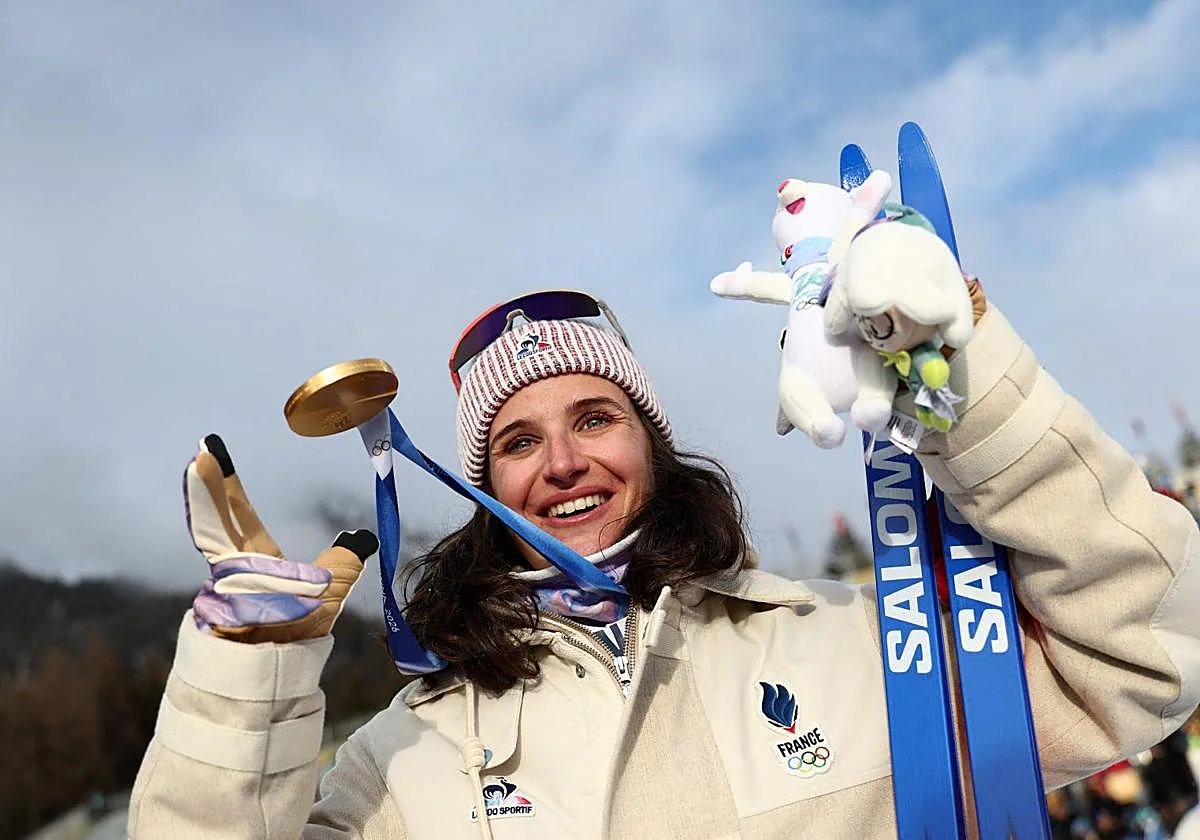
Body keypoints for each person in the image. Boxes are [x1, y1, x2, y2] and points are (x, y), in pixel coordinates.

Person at [127, 238, 1200, 838]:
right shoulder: (405, 761)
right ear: (477, 481)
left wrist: (962, 396)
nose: (562, 463)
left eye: (595, 418)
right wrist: (245, 683)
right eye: (516, 441)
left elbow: (1147, 654)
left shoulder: (863, 648)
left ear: (652, 441)